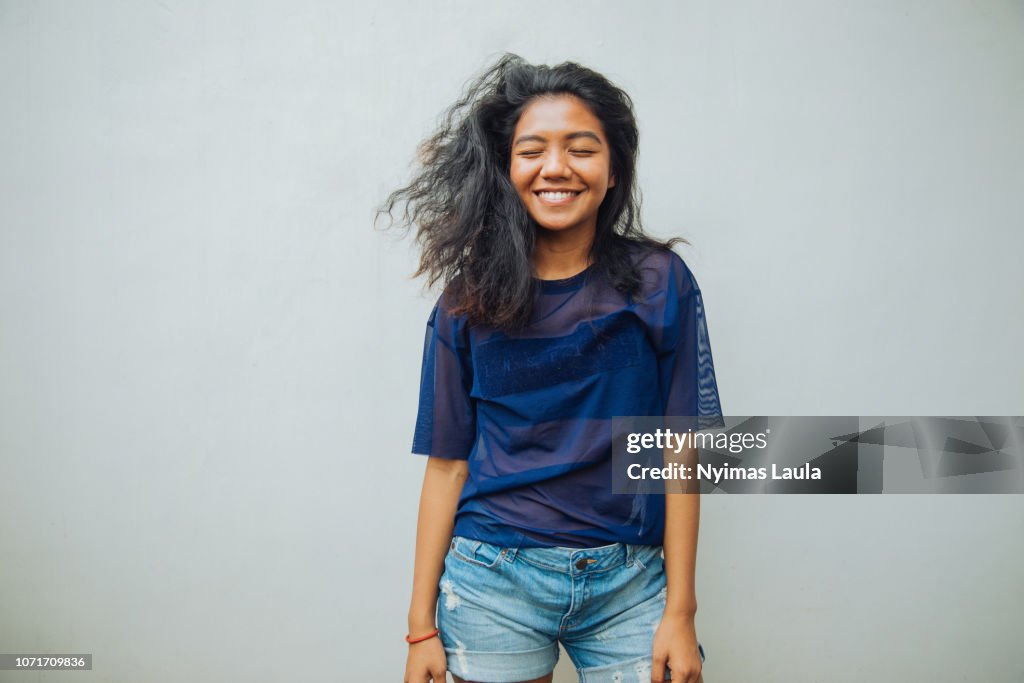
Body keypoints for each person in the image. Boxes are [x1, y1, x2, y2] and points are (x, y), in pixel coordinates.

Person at [379, 53, 722, 683]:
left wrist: (681, 611)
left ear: (613, 167)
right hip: (492, 580)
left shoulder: (659, 283)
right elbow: (448, 464)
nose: (556, 168)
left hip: (629, 581)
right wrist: (419, 626)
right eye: (532, 150)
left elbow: (681, 448)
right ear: (506, 170)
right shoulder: (466, 303)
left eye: (581, 148)